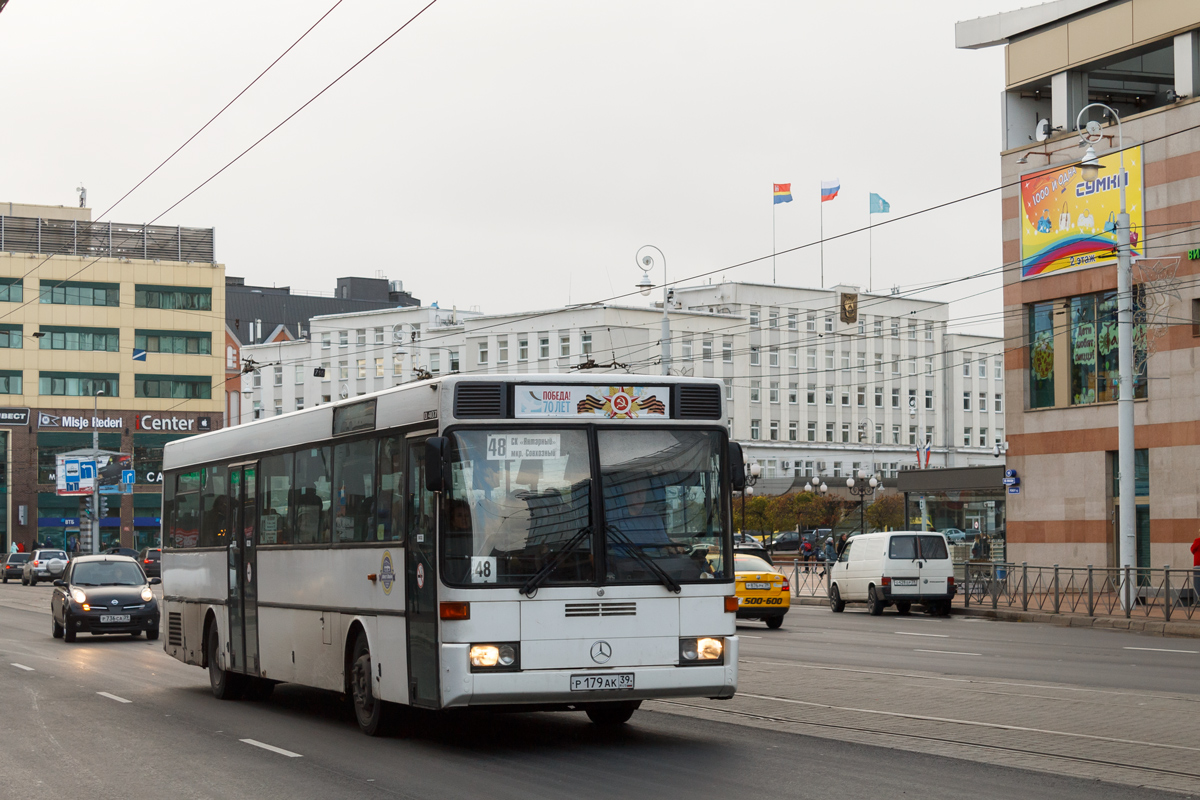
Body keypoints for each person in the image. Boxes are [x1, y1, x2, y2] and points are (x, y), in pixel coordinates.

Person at [1192, 531, 1200, 598]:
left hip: (1198, 563)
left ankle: (1197, 599)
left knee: (1197, 582)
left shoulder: (1197, 540)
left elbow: (1192, 549)